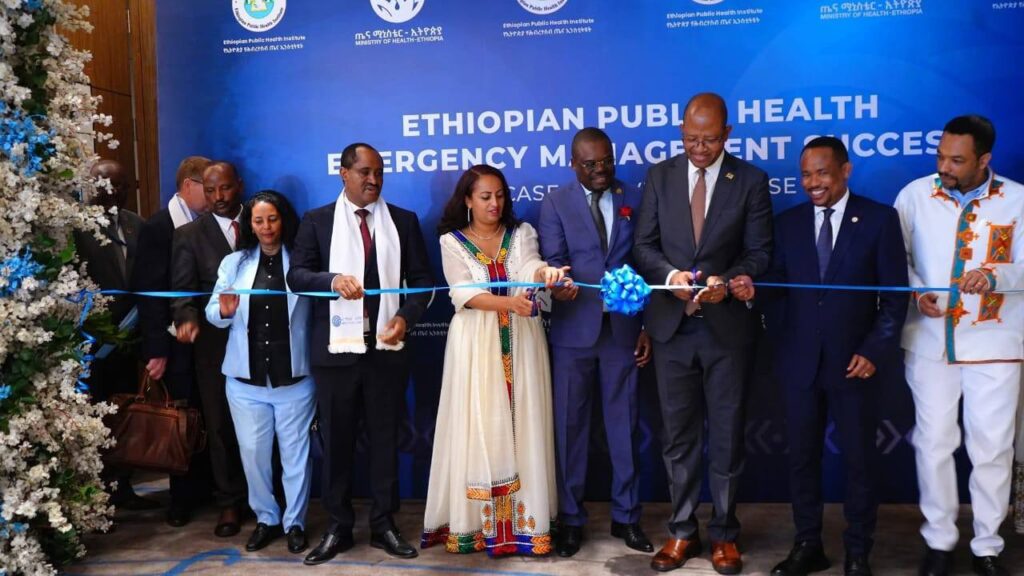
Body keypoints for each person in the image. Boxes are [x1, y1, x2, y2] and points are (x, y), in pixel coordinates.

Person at [730, 137, 908, 576]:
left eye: (822, 173)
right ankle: (807, 544)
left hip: (855, 365)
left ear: (845, 171)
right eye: (806, 174)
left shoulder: (880, 219)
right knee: (801, 459)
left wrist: (873, 350)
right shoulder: (788, 223)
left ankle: (858, 551)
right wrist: (753, 291)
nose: (813, 183)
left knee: (860, 461)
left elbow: (895, 297)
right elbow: (776, 285)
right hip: (800, 363)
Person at [633, 92, 773, 574]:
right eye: (691, 139)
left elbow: (760, 253)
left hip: (725, 330)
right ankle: (681, 532)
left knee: (727, 438)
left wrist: (727, 283)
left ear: (727, 134)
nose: (699, 148)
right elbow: (643, 246)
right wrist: (671, 276)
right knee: (678, 439)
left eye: (710, 140)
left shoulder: (750, 181)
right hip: (672, 330)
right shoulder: (659, 176)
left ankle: (725, 535)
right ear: (681, 131)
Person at [287, 143, 434, 564]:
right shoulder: (317, 221)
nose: (374, 180)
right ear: (343, 173)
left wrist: (405, 317)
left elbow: (422, 282)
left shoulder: (403, 221)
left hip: (386, 350)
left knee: (386, 441)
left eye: (379, 172)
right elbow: (297, 276)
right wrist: (332, 280)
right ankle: (338, 526)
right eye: (365, 172)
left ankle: (384, 524)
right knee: (336, 443)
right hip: (336, 354)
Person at [895, 115, 1024, 576]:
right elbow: (896, 258)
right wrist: (916, 291)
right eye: (940, 157)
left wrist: (994, 275)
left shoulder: (1017, 200)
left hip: (996, 342)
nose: (944, 167)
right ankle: (940, 540)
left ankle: (987, 546)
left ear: (984, 159)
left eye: (956, 160)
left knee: (992, 448)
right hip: (930, 340)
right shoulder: (914, 195)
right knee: (933, 443)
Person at [421, 164, 567, 557]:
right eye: (485, 196)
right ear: (467, 200)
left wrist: (546, 272)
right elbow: (462, 293)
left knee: (526, 423)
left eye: (500, 195)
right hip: (475, 344)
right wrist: (510, 304)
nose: (494, 204)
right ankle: (478, 526)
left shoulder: (522, 233)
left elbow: (530, 265)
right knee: (478, 424)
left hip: (523, 340)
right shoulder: (451, 241)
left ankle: (526, 526)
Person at [536, 127, 653, 557]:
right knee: (570, 428)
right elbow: (554, 260)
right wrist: (559, 285)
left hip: (623, 330)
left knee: (625, 425)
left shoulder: (634, 196)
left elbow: (646, 261)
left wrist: (646, 325)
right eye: (590, 164)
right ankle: (571, 520)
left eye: (606, 161)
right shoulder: (555, 202)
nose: (601, 170)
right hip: (573, 331)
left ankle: (628, 517)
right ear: (573, 165)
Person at [205, 191, 314, 554]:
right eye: (259, 221)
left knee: (296, 456)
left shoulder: (302, 262)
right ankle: (266, 518)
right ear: (249, 225)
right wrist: (224, 311)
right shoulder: (234, 263)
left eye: (273, 219)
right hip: (245, 380)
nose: (266, 227)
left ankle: (295, 523)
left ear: (284, 220)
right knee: (253, 455)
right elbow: (213, 313)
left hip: (293, 377)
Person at [132, 155, 212, 527]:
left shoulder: (208, 225)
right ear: (187, 186)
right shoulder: (158, 227)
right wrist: (156, 350)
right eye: (206, 188)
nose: (213, 196)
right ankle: (180, 499)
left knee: (205, 416)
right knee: (179, 419)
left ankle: (207, 489)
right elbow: (148, 293)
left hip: (208, 337)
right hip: (171, 342)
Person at [171, 161, 248, 537]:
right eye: (211, 190)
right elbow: (182, 291)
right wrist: (186, 318)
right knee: (219, 426)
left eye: (225, 189)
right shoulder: (188, 235)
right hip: (214, 348)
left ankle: (268, 499)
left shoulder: (264, 221)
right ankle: (229, 502)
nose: (218, 197)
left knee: (264, 425)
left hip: (264, 342)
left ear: (240, 186)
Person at [75, 159, 157, 511]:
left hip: (131, 337)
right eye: (107, 185)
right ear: (91, 187)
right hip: (92, 341)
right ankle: (94, 495)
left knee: (125, 413)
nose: (115, 192)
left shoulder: (137, 224)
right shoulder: (75, 227)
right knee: (94, 416)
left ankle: (122, 486)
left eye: (122, 185)